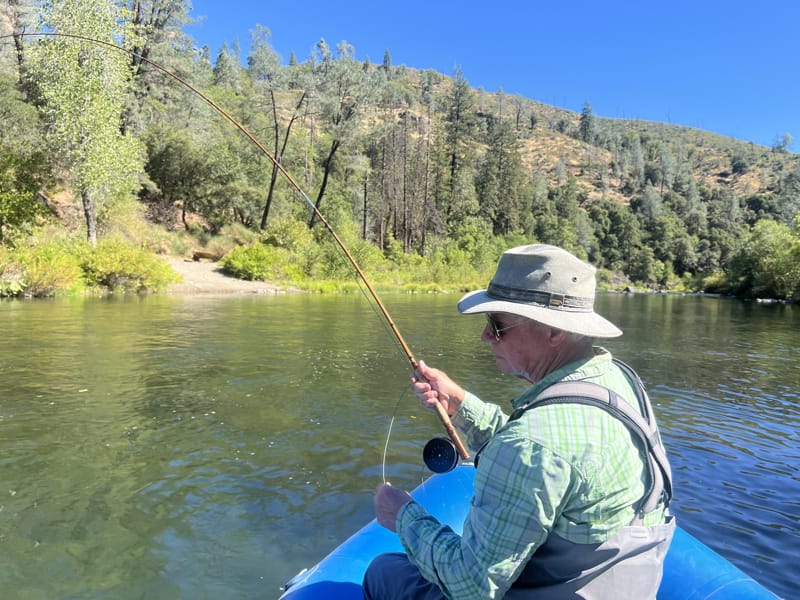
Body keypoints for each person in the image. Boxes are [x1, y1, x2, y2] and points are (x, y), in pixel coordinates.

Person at [363, 244, 675, 599]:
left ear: (554, 331)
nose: (485, 336)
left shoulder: (532, 444)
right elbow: (544, 458)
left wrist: (403, 516)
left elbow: (471, 587)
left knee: (384, 572)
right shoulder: (620, 379)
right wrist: (459, 404)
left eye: (497, 325)